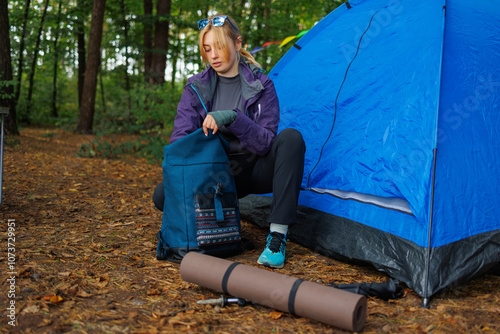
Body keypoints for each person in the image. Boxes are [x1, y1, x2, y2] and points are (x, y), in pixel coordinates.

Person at [153, 14, 305, 269]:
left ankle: (277, 237)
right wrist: (208, 138)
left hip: (252, 168)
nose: (213, 55)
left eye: (220, 46)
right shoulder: (195, 88)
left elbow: (266, 142)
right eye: (207, 48)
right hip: (214, 174)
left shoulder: (262, 85)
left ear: (237, 43)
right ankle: (218, 222)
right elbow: (180, 143)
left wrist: (233, 119)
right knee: (162, 195)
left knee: (291, 139)